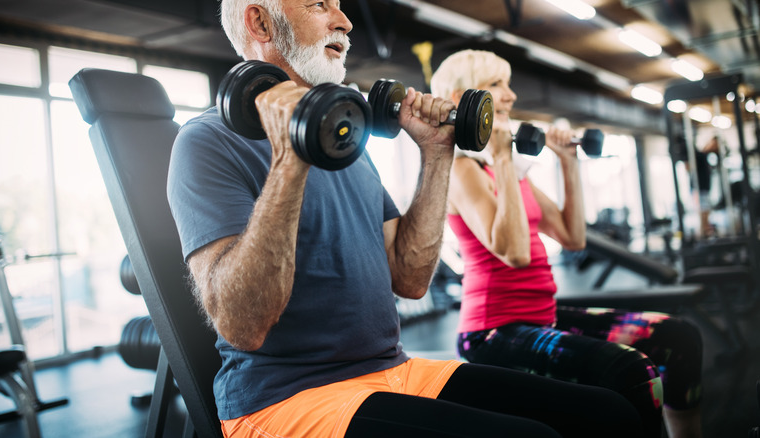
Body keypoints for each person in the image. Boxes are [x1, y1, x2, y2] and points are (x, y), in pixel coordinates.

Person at [167, 2, 646, 437]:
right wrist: (289, 158)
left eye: (340, 5)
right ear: (261, 23)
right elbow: (242, 325)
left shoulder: (346, 143)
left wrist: (437, 152)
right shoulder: (205, 142)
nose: (345, 21)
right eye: (319, 5)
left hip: (392, 372)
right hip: (283, 401)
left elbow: (411, 279)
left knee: (608, 414)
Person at [431, 49, 704, 438]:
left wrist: (567, 161)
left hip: (543, 316)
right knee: (632, 371)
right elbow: (514, 251)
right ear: (462, 99)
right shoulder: (462, 169)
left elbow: (572, 237)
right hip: (493, 333)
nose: (510, 96)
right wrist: (504, 159)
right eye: (496, 86)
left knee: (679, 337)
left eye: (508, 85)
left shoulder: (508, 170)